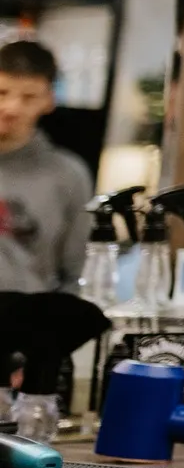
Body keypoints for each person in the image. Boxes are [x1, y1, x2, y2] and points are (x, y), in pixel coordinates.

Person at [0, 39, 91, 294]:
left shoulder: (68, 175)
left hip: (29, 313)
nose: (12, 108)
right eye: (2, 93)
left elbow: (78, 273)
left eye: (28, 97)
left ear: (49, 100)